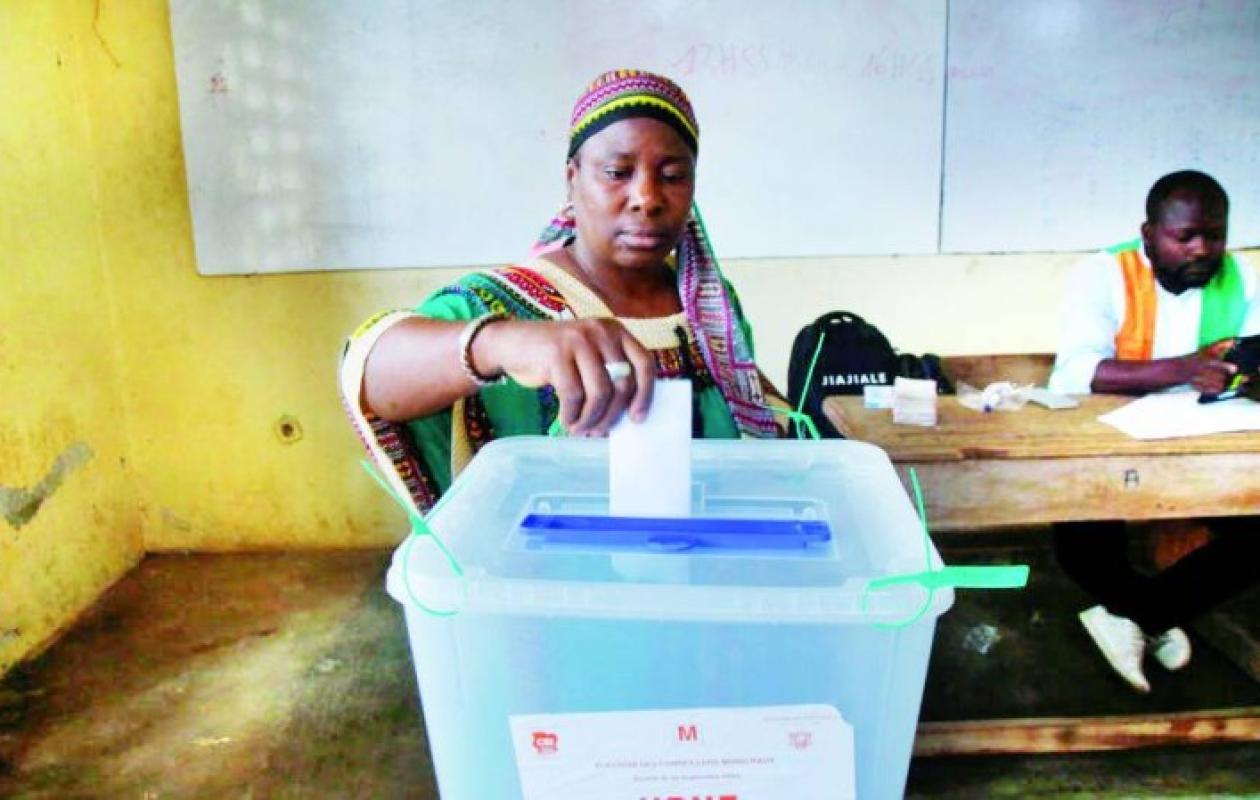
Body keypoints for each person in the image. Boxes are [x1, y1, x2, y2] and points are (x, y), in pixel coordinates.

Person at [340, 69, 786, 515]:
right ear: (572, 178)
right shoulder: (505, 302)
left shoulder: (709, 305)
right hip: (557, 576)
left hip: (715, 558)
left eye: (672, 176)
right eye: (617, 172)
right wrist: (501, 342)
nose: (646, 197)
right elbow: (371, 373)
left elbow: (753, 414)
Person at [1048, 169, 1260, 693]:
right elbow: (1076, 372)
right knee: (1084, 531)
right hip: (1108, 447)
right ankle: (1150, 615)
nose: (1201, 249)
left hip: (1202, 452)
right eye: (1184, 236)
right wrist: (1186, 368)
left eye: (1214, 235)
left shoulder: (1244, 277)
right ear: (1149, 235)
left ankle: (1137, 615)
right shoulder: (1103, 274)